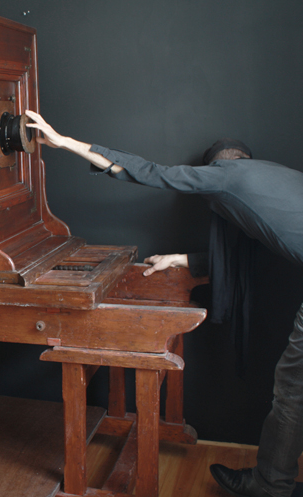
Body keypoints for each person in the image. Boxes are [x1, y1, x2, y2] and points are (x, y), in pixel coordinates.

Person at [25, 110, 303, 497]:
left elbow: (148, 171)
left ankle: (271, 486)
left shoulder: (225, 177)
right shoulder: (271, 174)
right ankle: (272, 481)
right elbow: (258, 247)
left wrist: (64, 142)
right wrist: (184, 261)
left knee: (293, 394)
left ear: (214, 170)